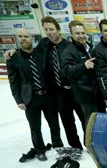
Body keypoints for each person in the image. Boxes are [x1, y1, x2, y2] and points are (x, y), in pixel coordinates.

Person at [7, 28, 63, 162]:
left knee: (54, 124)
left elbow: (51, 39)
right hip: (30, 99)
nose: (23, 39)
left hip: (48, 96)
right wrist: (18, 100)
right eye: (20, 37)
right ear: (17, 39)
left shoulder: (41, 52)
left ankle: (58, 146)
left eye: (26, 36)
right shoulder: (13, 58)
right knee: (35, 127)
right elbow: (13, 81)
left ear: (31, 38)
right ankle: (39, 150)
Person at [40, 16, 84, 150]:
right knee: (67, 121)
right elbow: (31, 53)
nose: (49, 32)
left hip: (75, 89)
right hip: (59, 91)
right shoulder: (44, 44)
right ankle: (76, 147)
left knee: (84, 118)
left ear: (59, 30)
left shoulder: (69, 46)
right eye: (46, 29)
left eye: (52, 29)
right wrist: (13, 51)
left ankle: (90, 143)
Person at [61, 20, 105, 126]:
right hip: (86, 96)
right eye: (77, 33)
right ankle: (91, 143)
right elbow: (67, 72)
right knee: (92, 125)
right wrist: (83, 66)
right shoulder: (69, 52)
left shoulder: (89, 47)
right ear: (71, 35)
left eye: (83, 33)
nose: (81, 36)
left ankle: (103, 143)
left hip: (97, 94)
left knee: (103, 123)